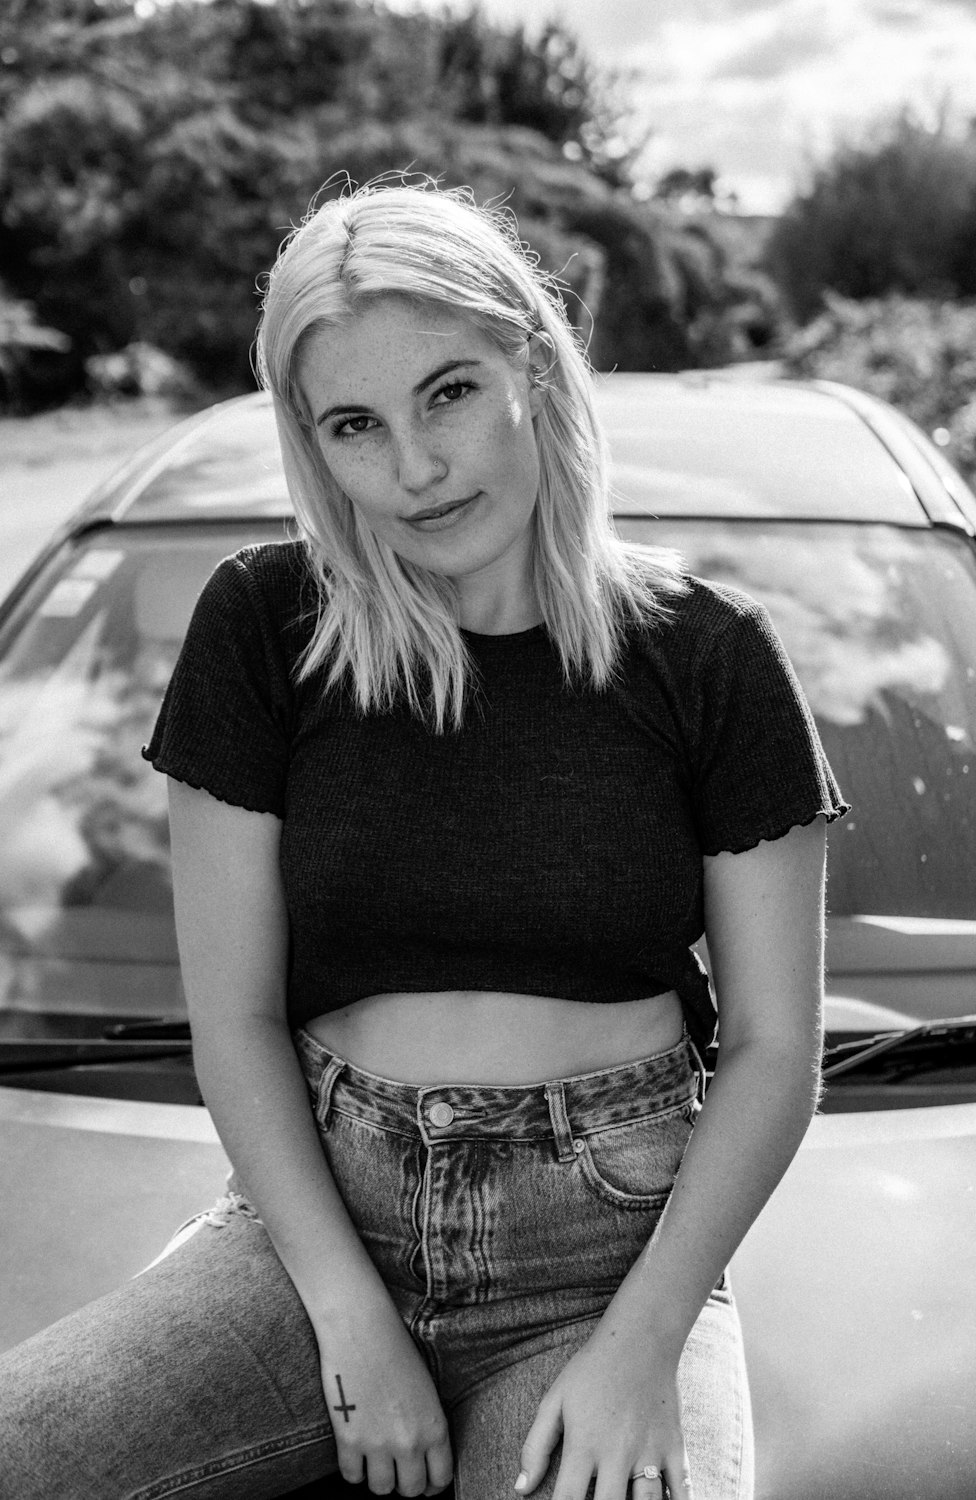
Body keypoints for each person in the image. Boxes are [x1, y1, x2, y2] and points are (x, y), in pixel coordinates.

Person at [0, 180, 847, 1500]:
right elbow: (232, 1019)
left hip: (611, 1260)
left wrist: (642, 1347)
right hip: (312, 1228)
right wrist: (349, 1318)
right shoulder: (264, 629)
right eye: (355, 424)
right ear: (314, 445)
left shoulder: (710, 660)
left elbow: (778, 1049)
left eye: (448, 391)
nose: (415, 467)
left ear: (532, 361)